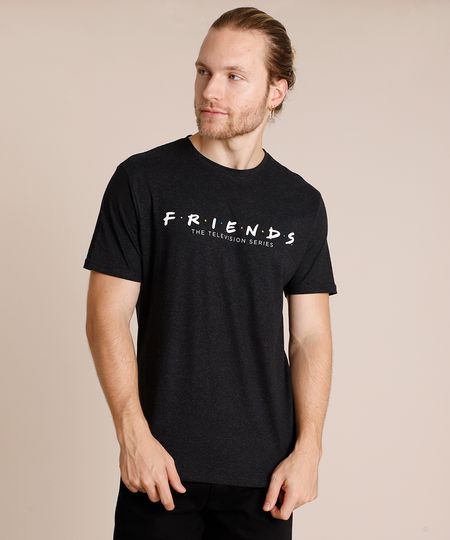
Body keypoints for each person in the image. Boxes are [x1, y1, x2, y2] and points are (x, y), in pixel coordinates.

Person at [83, 6, 337, 540]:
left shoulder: (301, 204)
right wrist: (133, 436)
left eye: (233, 76)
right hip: (160, 469)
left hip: (265, 480)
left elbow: (311, 336)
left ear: (276, 91)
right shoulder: (143, 180)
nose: (210, 91)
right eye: (204, 71)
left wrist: (309, 449)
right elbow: (106, 316)